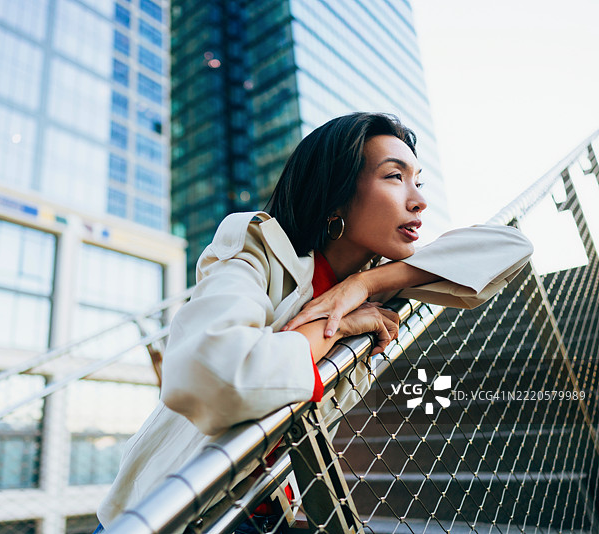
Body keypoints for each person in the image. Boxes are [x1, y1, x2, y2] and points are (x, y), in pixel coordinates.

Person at [95, 112, 533, 533]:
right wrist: (337, 327)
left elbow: (513, 246)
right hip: (170, 516)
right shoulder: (255, 247)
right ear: (337, 193)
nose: (418, 199)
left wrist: (368, 281)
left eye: (418, 181)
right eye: (395, 176)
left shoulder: (382, 291)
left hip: (269, 513)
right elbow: (215, 374)